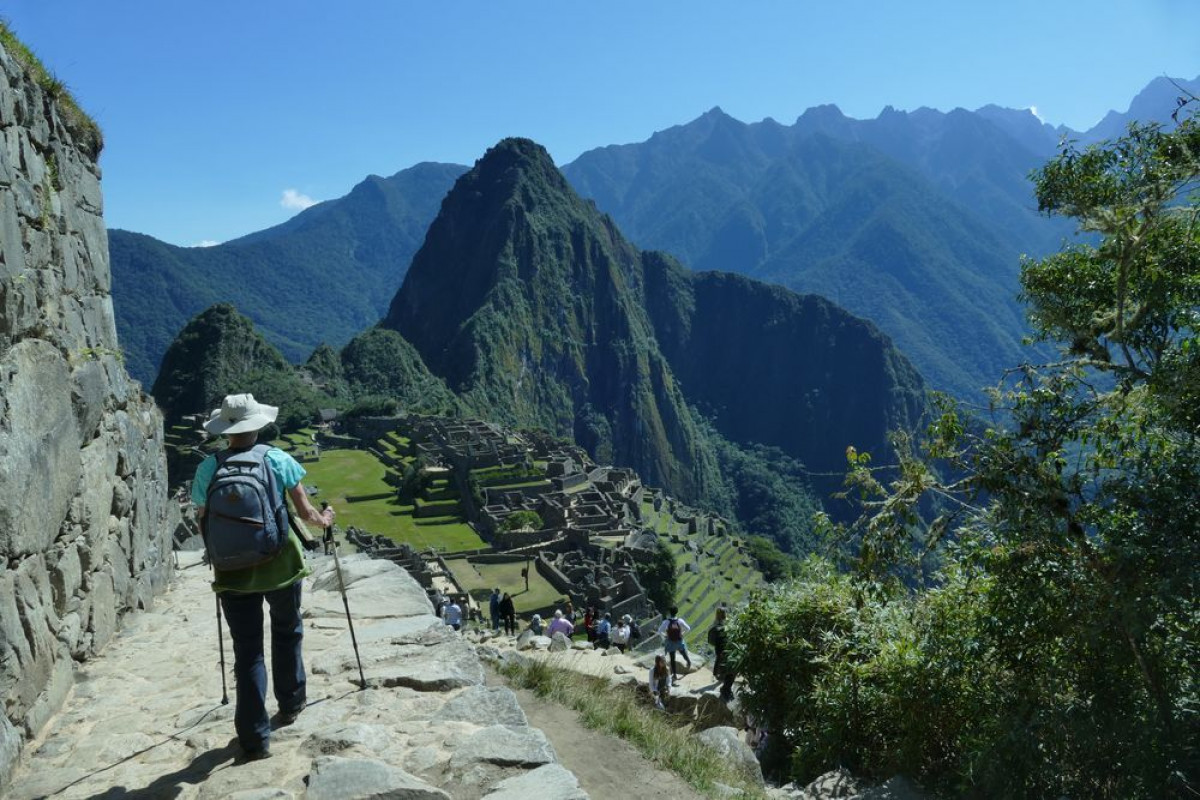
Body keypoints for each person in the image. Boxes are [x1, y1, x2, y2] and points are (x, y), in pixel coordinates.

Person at [191, 393, 334, 761]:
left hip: (232, 573)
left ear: (226, 430)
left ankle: (254, 738)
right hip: (280, 564)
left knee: (247, 650)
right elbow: (306, 514)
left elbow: (203, 516)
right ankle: (291, 702)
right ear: (258, 425)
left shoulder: (209, 467)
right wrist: (326, 520)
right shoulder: (277, 459)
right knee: (287, 631)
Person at [656, 606, 692, 684]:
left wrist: (665, 636)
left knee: (672, 658)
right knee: (683, 653)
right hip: (679, 641)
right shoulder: (680, 621)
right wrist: (682, 634)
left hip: (670, 642)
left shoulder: (666, 622)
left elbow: (659, 631)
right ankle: (688, 662)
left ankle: (675, 675)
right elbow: (688, 628)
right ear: (676, 612)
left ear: (669, 612)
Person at [708, 606, 735, 700]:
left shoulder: (715, 623)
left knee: (719, 658)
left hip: (718, 645)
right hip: (726, 645)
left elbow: (710, 637)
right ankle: (721, 676)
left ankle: (717, 674)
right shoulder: (728, 622)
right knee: (726, 661)